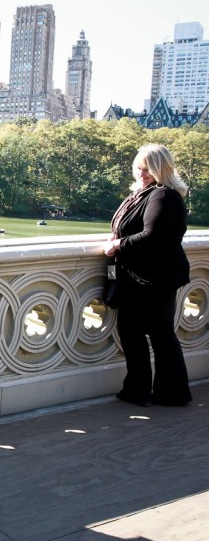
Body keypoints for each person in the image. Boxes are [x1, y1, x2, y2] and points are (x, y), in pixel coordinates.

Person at [103, 143, 192, 407]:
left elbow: (152, 235)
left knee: (160, 335)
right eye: (138, 167)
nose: (140, 173)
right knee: (133, 334)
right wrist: (115, 235)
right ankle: (139, 390)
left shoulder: (164, 195)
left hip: (154, 280)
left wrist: (117, 245)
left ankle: (172, 393)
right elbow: (132, 227)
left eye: (146, 168)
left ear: (160, 168)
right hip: (137, 277)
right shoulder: (144, 193)